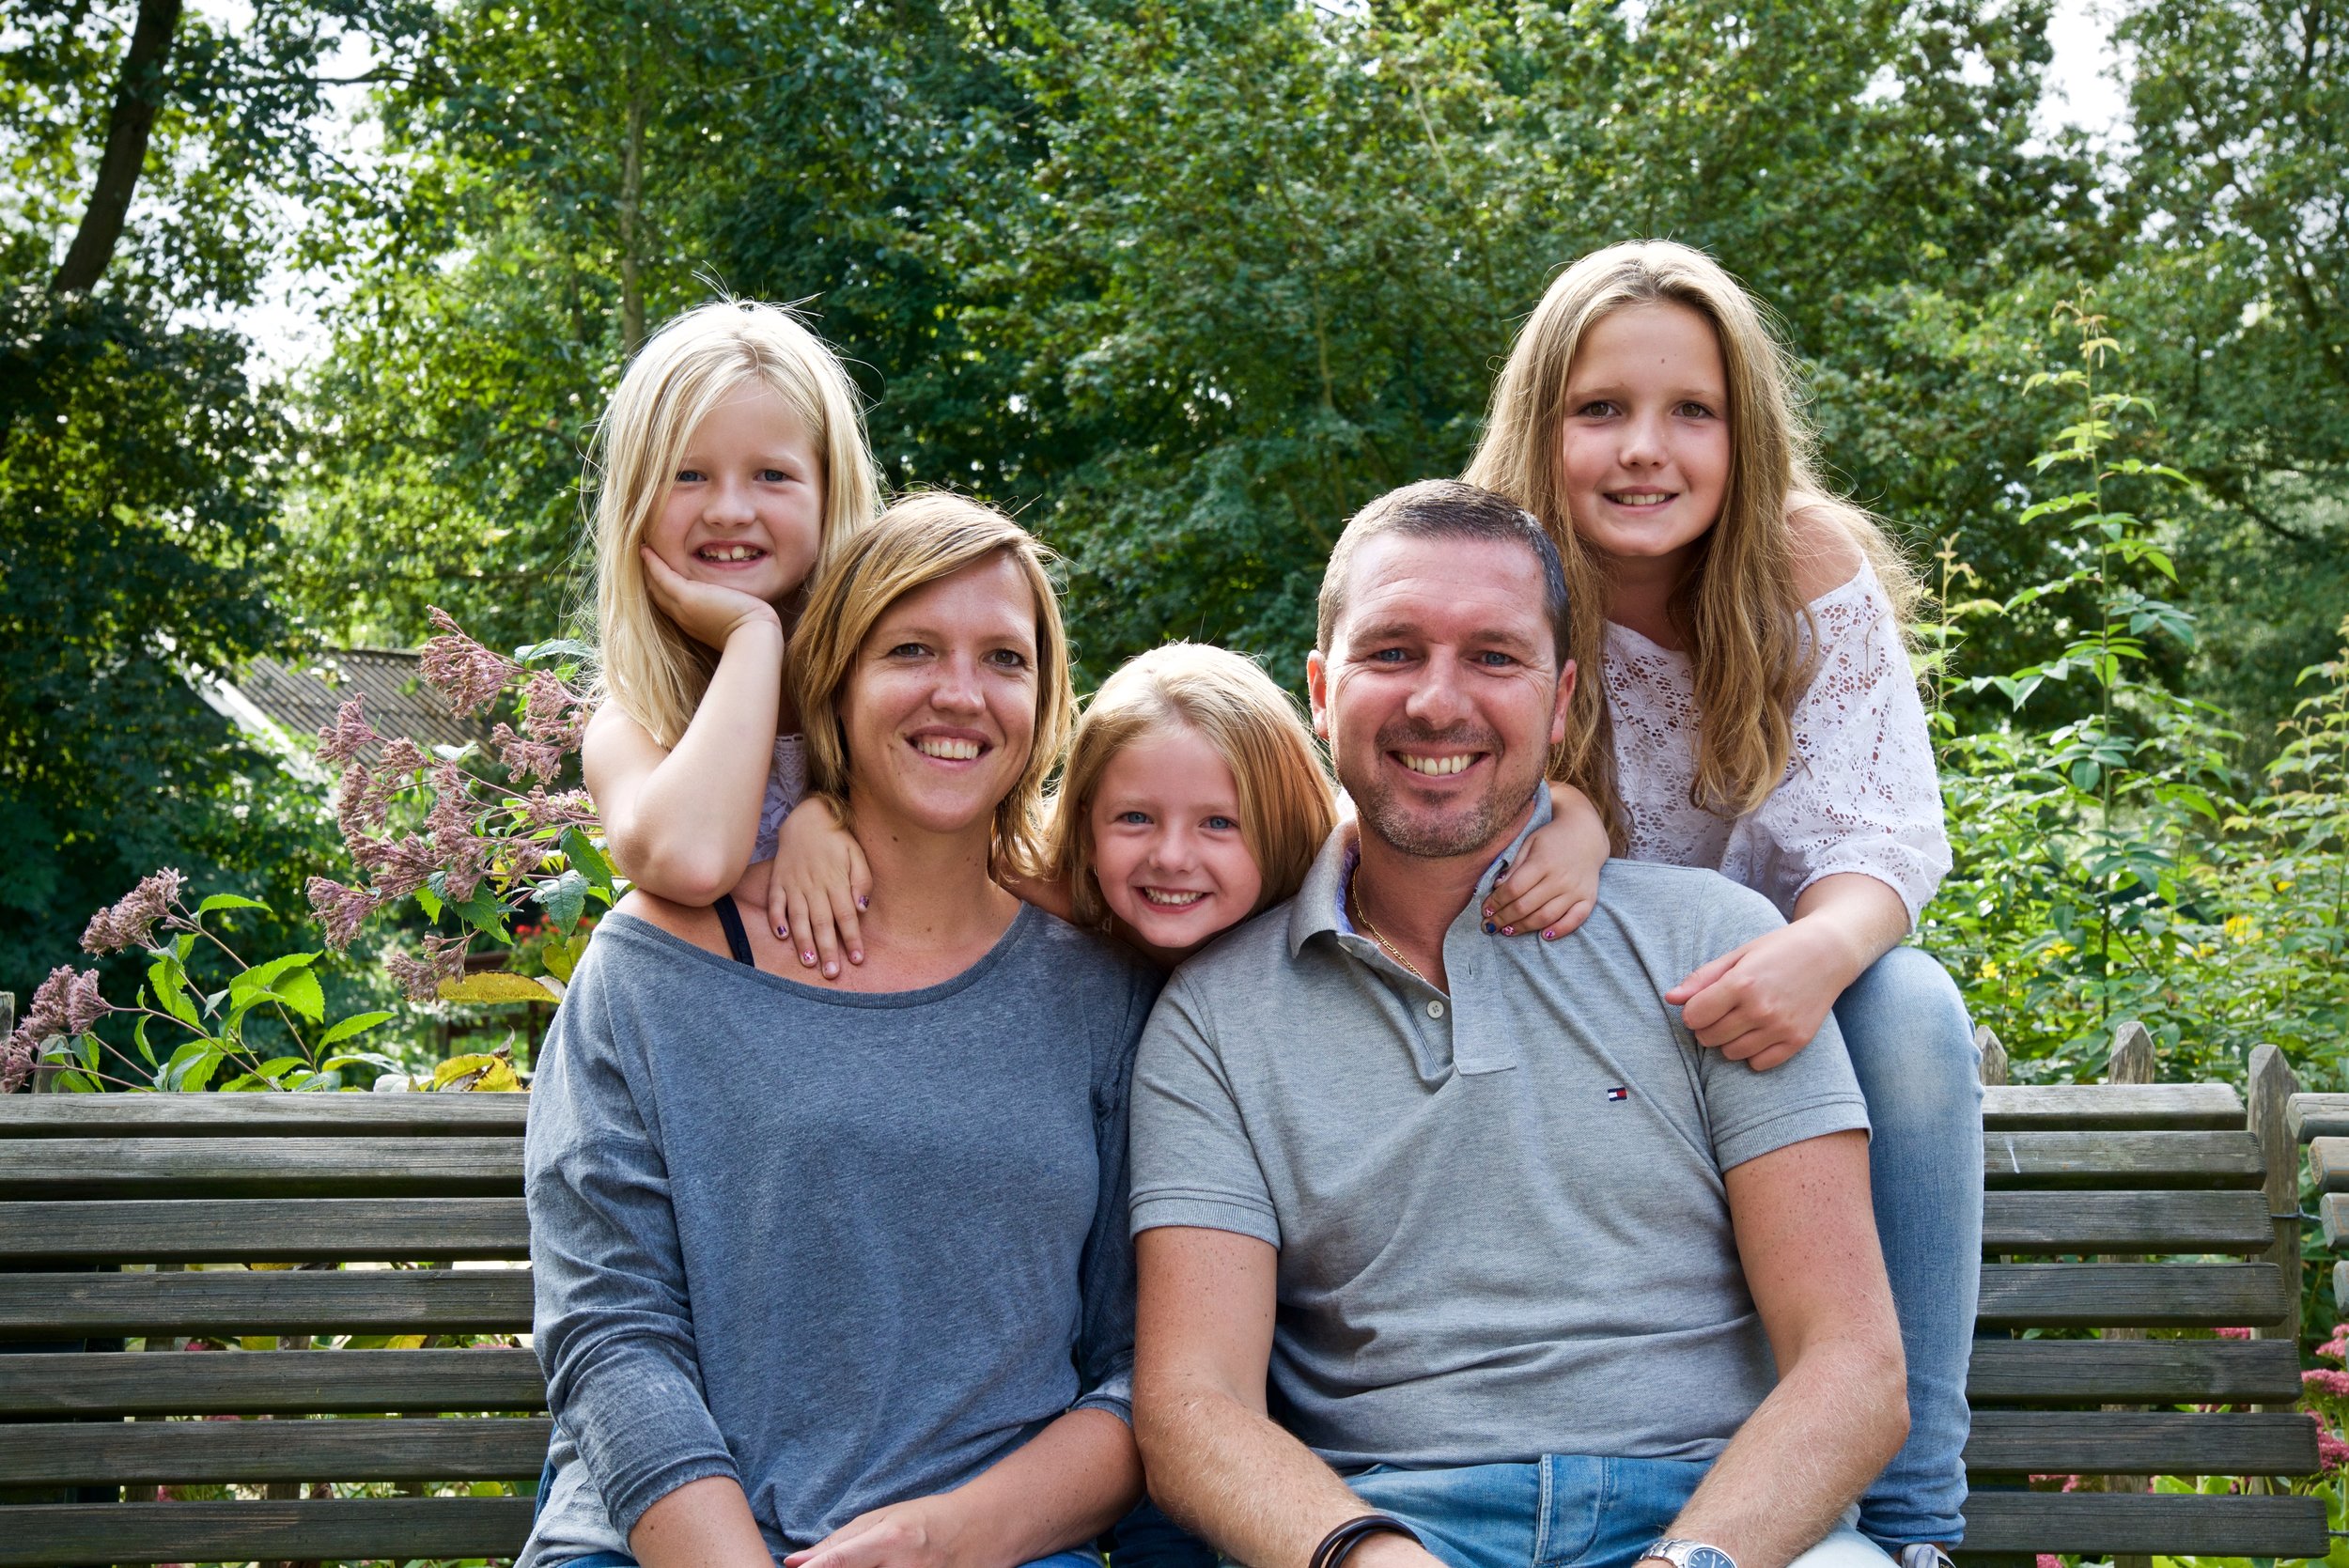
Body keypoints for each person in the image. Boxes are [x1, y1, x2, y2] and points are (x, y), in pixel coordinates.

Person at [1128, 479, 1909, 1568]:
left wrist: (1689, 1564)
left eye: (1493, 657)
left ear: (1560, 701)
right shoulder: (1215, 1017)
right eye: (1392, 651)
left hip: (1722, 1529)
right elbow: (1190, 1406)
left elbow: (1853, 1365)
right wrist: (1371, 1560)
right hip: (1394, 1531)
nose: (1437, 701)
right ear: (1320, 688)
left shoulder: (1714, 946)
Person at [522, 494, 1158, 1568]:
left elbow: (1141, 1370)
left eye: (1004, 658)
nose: (960, 693)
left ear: (1045, 701)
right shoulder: (656, 969)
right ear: (836, 685)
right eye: (911, 649)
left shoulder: (1098, 988)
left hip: (989, 1549)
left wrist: (940, 1540)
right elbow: (610, 1330)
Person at [1463, 240, 1980, 1560]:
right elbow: (1404, 802)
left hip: (1785, 1012)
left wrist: (1819, 951)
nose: (1647, 448)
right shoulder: (1490, 570)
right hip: (1590, 1016)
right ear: (1541, 426)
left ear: (1742, 432)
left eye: (1689, 411)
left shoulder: (1802, 566)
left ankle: (1912, 1520)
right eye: (1601, 411)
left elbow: (1886, 830)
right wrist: (1557, 811)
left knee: (1914, 1007)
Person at [579, 297, 881, 913]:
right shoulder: (632, 725)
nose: (729, 510)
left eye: (772, 475)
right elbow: (692, 860)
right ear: (634, 502)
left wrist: (826, 814)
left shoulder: (886, 677)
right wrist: (752, 634)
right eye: (688, 476)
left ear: (831, 492)